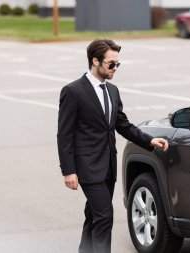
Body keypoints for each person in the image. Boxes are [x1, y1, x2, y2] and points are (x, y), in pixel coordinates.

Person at [56, 38, 168, 253]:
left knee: (94, 215)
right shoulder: (73, 91)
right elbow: (64, 134)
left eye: (118, 63)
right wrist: (68, 170)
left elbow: (122, 125)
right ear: (95, 61)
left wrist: (149, 140)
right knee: (105, 215)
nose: (115, 68)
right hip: (87, 167)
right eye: (111, 64)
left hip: (108, 166)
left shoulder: (113, 91)